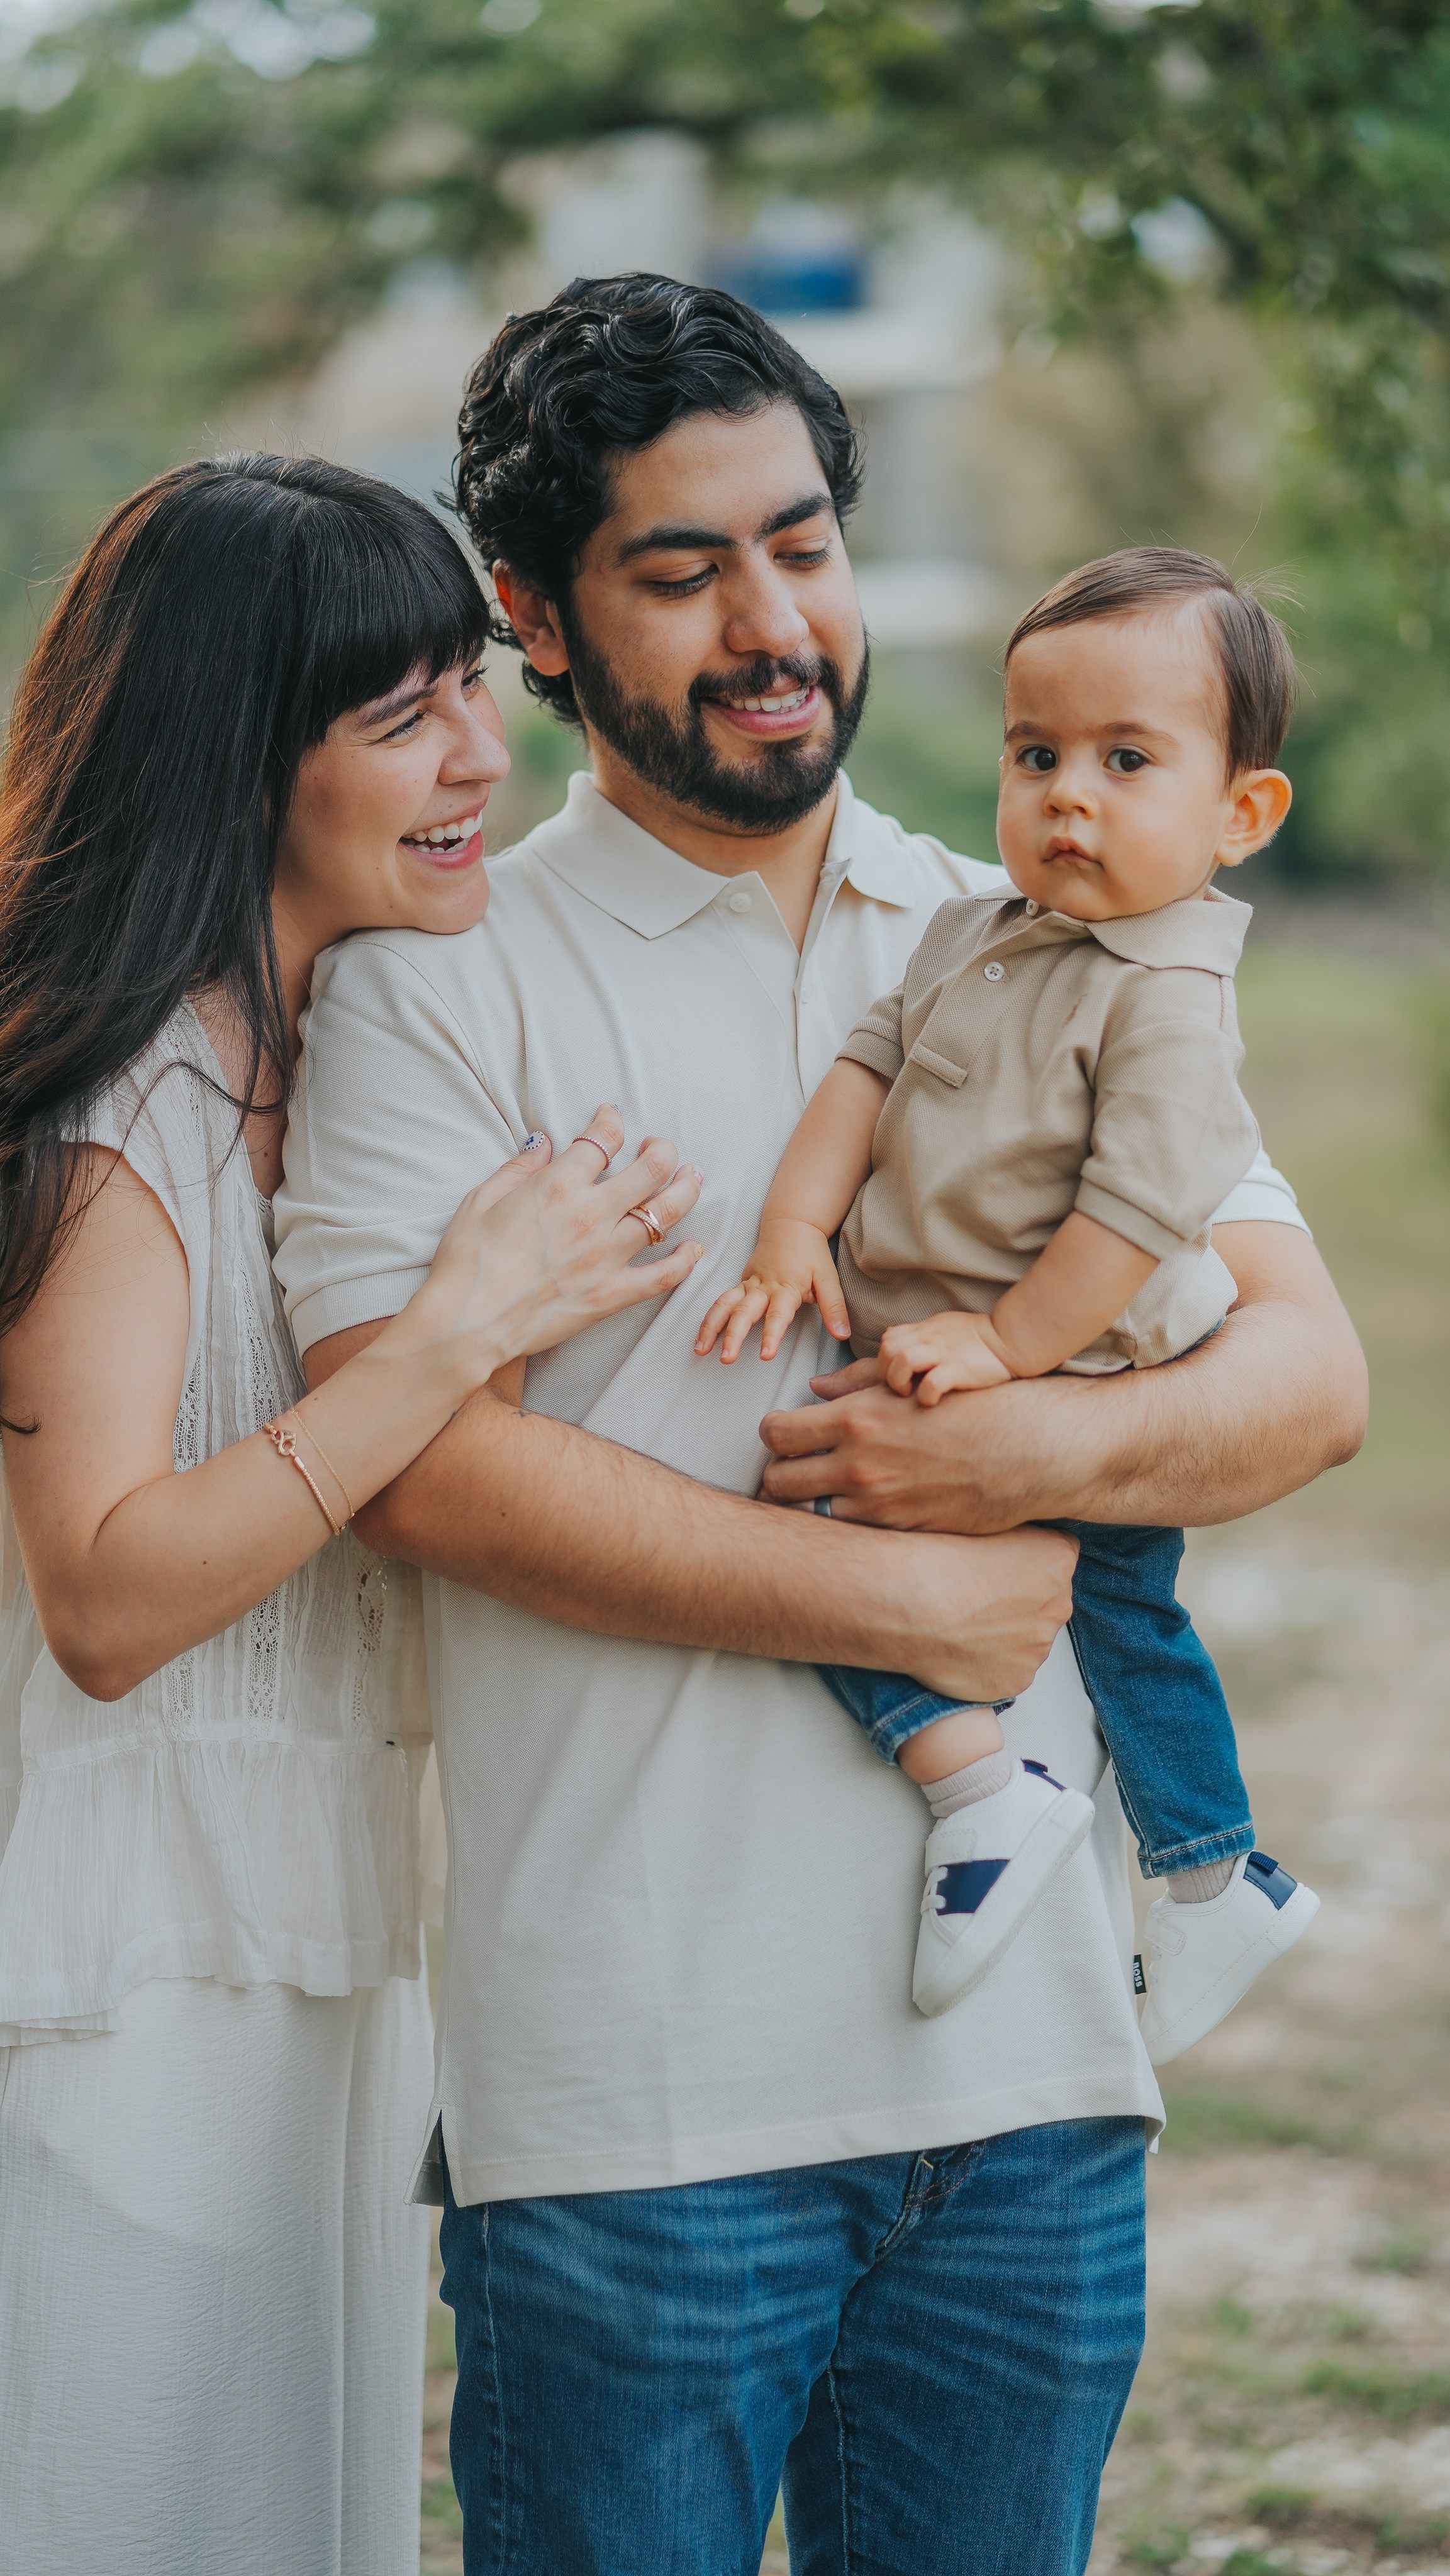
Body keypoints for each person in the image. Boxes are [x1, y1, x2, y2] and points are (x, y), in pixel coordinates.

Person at [276, 275, 1368, 2576]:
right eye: (681, 574)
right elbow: (424, 1467)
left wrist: (1012, 1463)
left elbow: (1304, 1376)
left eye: (801, 543)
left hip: (1039, 2093)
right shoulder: (430, 975)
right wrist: (899, 1591)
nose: (773, 622)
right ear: (531, 619)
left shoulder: (1046, 915)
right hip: (636, 2103)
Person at [0, 452, 703, 2576]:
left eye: (476, 687)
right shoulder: (131, 1108)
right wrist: (447, 1331)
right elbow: (109, 1601)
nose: (481, 754)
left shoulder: (331, 1058)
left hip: (312, 1918)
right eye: (398, 717)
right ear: (239, 750)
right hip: (123, 1967)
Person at [698, 543, 1321, 2041]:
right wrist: (793, 1231)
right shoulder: (970, 930)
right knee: (1053, 1600)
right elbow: (863, 1068)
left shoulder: (1165, 993)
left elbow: (1137, 1207)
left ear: (1239, 812)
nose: (1067, 795)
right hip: (959, 1351)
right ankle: (1205, 1867)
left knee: (915, 1558)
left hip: (1080, 1366)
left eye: (1125, 759)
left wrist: (1009, 1345)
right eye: (1035, 752)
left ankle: (1002, 1794)